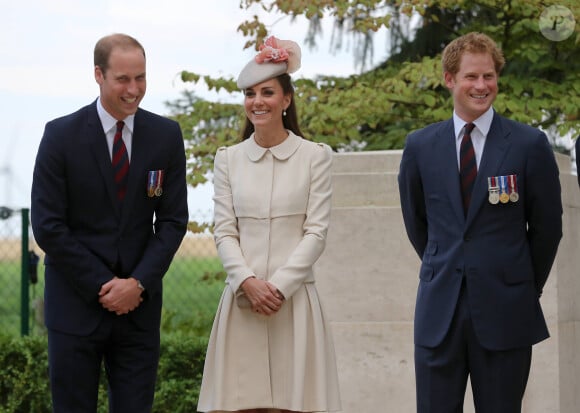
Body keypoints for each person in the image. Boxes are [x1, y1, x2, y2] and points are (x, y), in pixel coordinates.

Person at [398, 32, 562, 412]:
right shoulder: (420, 146)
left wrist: (519, 284)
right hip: (440, 314)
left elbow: (547, 230)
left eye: (489, 76)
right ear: (450, 79)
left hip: (506, 312)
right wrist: (447, 266)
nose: (481, 86)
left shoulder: (528, 144)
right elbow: (417, 221)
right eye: (471, 77)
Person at [31, 33, 188, 413]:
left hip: (139, 310)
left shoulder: (166, 136)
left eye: (141, 78)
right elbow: (48, 225)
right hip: (75, 308)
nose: (134, 89)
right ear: (98, 75)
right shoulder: (60, 135)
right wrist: (105, 285)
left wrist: (137, 284)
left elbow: (171, 221)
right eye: (123, 79)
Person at [197, 36, 341, 413]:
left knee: (296, 404)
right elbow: (225, 230)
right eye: (250, 93)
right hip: (242, 299)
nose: (257, 101)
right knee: (242, 403)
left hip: (293, 302)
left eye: (267, 92)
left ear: (286, 100)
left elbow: (316, 231)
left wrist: (277, 287)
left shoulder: (316, 157)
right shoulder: (227, 160)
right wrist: (247, 281)